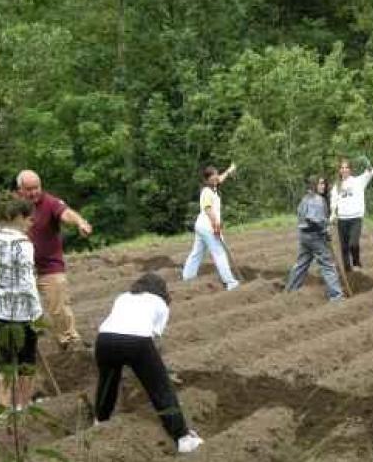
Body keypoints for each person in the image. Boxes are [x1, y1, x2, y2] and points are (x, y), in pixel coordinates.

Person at [93, 273, 204, 453]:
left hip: (105, 339)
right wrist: (155, 368)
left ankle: (100, 420)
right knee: (161, 389)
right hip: (138, 342)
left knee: (108, 382)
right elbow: (153, 336)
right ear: (161, 290)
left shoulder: (123, 297)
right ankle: (183, 438)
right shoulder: (161, 304)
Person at [0, 195, 43, 413]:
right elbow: (27, 282)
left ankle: (4, 409)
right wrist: (37, 314)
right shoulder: (24, 245)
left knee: (3, 362)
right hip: (23, 312)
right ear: (17, 218)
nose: (30, 223)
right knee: (26, 362)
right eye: (28, 218)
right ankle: (23, 406)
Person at [16, 170, 93, 349]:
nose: (34, 192)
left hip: (49, 266)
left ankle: (70, 342)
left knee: (58, 306)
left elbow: (66, 213)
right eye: (29, 189)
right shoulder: (14, 207)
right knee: (18, 309)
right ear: (20, 190)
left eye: (36, 188)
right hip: (22, 268)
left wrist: (80, 222)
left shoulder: (49, 202)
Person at [180, 164, 240, 291]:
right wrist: (216, 226)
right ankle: (230, 282)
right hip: (208, 227)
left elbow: (220, 179)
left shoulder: (213, 187)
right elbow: (208, 210)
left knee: (197, 253)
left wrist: (229, 170)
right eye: (212, 177)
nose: (216, 178)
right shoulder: (207, 192)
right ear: (207, 179)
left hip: (201, 226)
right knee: (219, 253)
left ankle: (187, 276)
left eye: (216, 176)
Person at [285, 175, 344, 301]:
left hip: (304, 236)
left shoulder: (305, 198)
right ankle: (337, 297)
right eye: (320, 184)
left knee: (301, 264)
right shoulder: (317, 200)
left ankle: (290, 291)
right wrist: (324, 229)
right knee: (328, 265)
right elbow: (312, 219)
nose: (323, 186)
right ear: (314, 185)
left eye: (324, 183)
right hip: (315, 236)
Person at [330, 157, 373, 272]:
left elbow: (370, 173)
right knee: (344, 247)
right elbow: (334, 202)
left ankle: (356, 263)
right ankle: (347, 271)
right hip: (342, 219)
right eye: (342, 168)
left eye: (346, 167)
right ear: (339, 170)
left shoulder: (358, 181)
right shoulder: (337, 186)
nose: (344, 170)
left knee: (353, 244)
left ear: (350, 169)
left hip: (355, 218)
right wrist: (333, 215)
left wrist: (368, 163)